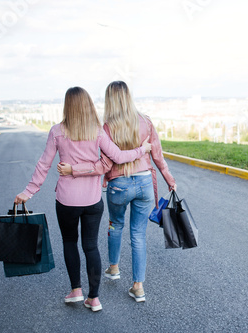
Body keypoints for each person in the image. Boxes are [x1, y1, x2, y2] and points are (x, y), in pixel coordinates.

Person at [14, 86, 152, 312]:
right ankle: (94, 299)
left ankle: (76, 291)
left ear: (67, 106)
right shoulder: (97, 131)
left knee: (70, 243)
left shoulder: (57, 131)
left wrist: (29, 191)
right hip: (92, 201)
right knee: (91, 247)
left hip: (67, 201)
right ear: (88, 104)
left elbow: (44, 164)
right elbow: (117, 157)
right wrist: (142, 149)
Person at [58, 81, 176, 303]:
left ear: (109, 100)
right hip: (143, 183)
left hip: (119, 185)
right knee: (138, 235)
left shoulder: (106, 127)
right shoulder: (146, 122)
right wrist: (170, 179)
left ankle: (113, 268)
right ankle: (138, 288)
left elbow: (104, 163)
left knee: (115, 225)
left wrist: (76, 170)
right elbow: (157, 155)